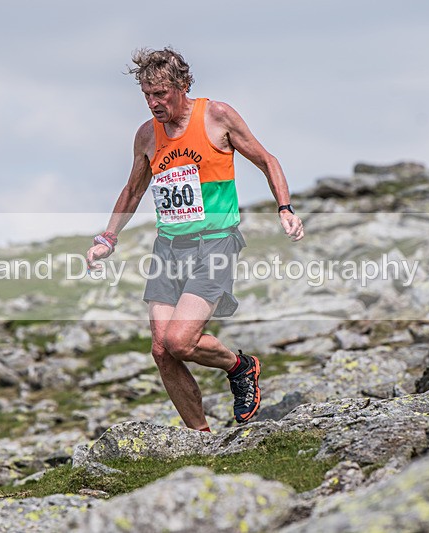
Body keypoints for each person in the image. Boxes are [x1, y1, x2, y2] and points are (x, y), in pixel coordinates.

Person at [86, 47, 303, 431]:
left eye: (161, 94)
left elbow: (267, 160)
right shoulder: (147, 135)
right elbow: (133, 190)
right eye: (147, 95)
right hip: (169, 249)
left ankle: (240, 367)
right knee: (161, 350)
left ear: (182, 86)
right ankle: (201, 438)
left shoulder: (216, 116)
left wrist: (284, 208)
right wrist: (108, 238)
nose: (153, 103)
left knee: (180, 341)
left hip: (215, 243)